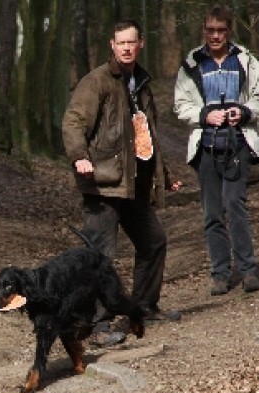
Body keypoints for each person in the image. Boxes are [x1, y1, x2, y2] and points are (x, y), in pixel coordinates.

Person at [62, 19, 182, 347]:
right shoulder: (96, 81)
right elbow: (73, 122)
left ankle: (143, 308)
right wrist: (79, 156)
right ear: (112, 46)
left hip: (133, 184)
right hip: (101, 183)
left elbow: (147, 135)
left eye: (132, 42)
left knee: (153, 242)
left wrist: (163, 177)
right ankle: (95, 326)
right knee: (99, 256)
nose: (127, 48)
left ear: (140, 44)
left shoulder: (141, 83)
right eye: (121, 43)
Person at [173, 4, 259, 296]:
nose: (215, 36)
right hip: (205, 146)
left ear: (229, 31)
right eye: (210, 30)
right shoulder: (192, 64)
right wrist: (205, 115)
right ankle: (220, 274)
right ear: (203, 30)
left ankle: (247, 269)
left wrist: (244, 112)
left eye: (221, 30)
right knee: (212, 212)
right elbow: (181, 105)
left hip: (238, 143)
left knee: (235, 205)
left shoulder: (246, 61)